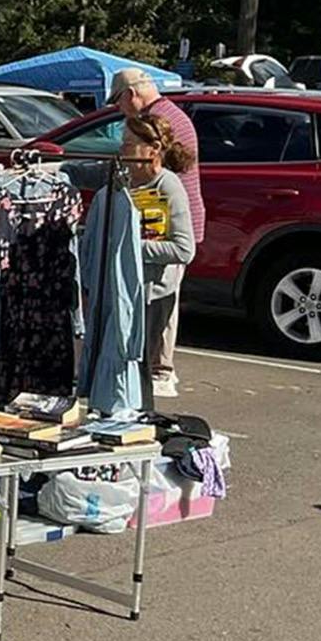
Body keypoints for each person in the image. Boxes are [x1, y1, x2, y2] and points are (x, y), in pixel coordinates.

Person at [109, 67, 203, 398]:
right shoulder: (166, 114)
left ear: (130, 94)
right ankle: (155, 370)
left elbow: (159, 179)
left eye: (118, 101)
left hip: (169, 226)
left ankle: (160, 371)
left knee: (162, 300)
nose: (118, 108)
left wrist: (134, 241)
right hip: (168, 224)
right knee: (162, 299)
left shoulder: (158, 123)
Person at [122, 114, 197, 409]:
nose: (122, 149)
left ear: (151, 149)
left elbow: (184, 249)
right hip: (128, 289)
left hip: (154, 295)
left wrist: (131, 247)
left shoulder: (169, 186)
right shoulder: (127, 177)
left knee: (141, 373)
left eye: (129, 143)